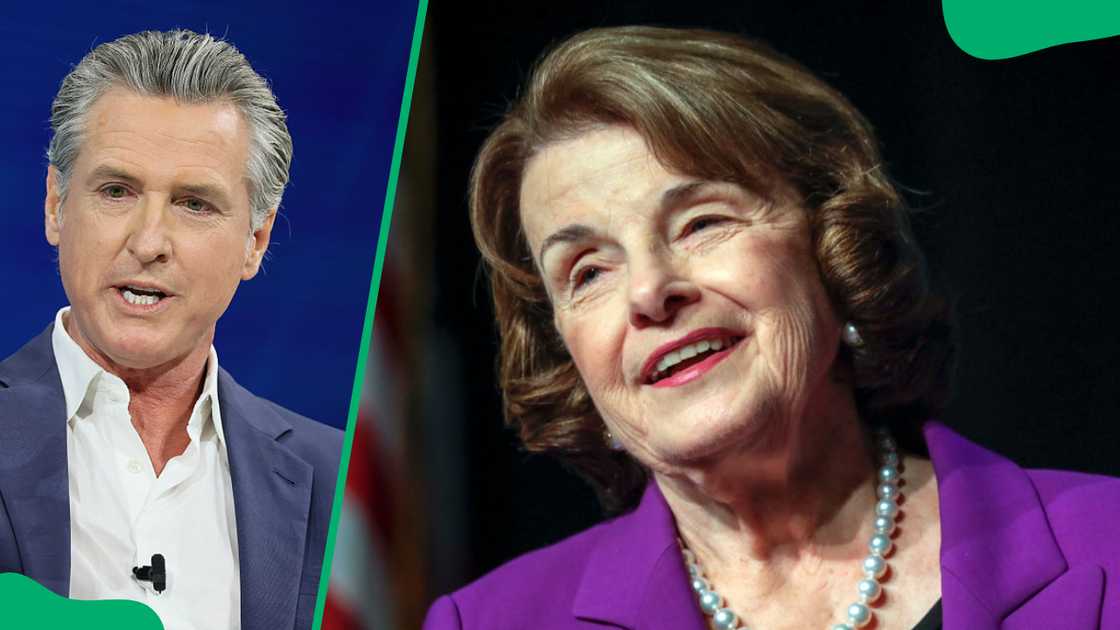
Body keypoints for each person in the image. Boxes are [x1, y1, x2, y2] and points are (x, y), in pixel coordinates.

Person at [423, 26, 1120, 630]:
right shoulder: (487, 621)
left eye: (701, 223)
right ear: (565, 354)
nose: (649, 292)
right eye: (587, 272)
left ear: (833, 247)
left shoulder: (1105, 544)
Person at [0, 30, 341, 630]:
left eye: (194, 204)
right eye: (116, 191)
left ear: (254, 242)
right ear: (56, 205)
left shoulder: (334, 478)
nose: (149, 242)